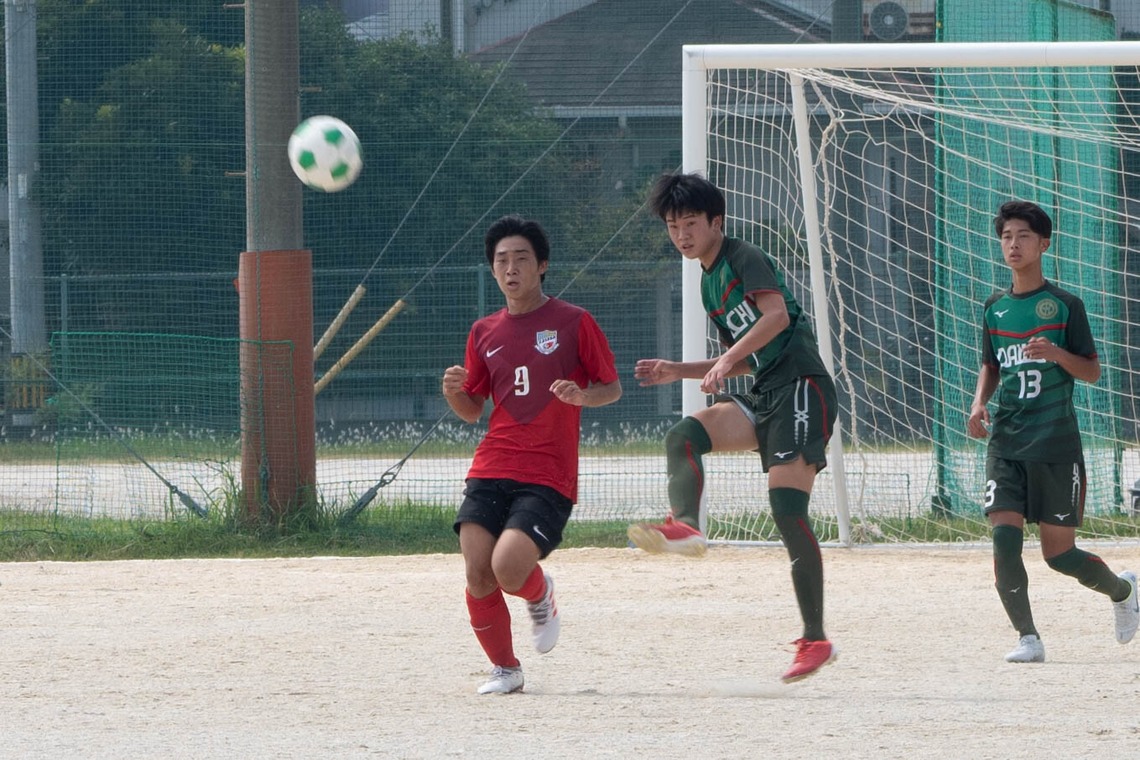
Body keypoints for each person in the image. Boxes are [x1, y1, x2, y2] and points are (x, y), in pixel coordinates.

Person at [627, 172, 838, 683]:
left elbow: (776, 317)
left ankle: (815, 638)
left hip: (801, 387)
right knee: (683, 435)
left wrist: (723, 362)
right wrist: (679, 370)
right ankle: (687, 525)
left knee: (787, 511)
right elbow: (745, 359)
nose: (682, 234)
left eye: (691, 223)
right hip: (766, 391)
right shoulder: (707, 282)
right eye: (673, 226)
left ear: (716, 222)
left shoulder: (744, 257)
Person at [442, 214, 622, 694]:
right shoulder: (483, 331)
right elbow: (471, 410)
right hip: (492, 464)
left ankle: (540, 594)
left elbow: (611, 387)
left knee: (508, 568)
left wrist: (583, 396)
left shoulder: (574, 322)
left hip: (548, 473)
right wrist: (453, 392)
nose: (511, 268)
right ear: (492, 269)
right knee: (478, 570)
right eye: (502, 260)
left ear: (542, 265)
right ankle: (506, 670)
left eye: (521, 258)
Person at [967, 199, 1138, 664]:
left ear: (1043, 244)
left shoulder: (1065, 306)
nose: (1013, 244)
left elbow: (1092, 371)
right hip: (1006, 443)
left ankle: (1123, 592)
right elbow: (990, 365)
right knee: (1004, 541)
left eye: (1023, 236)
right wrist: (979, 402)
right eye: (1006, 237)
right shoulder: (994, 308)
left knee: (1059, 555)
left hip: (1056, 445)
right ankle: (1029, 638)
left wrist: (1057, 354)